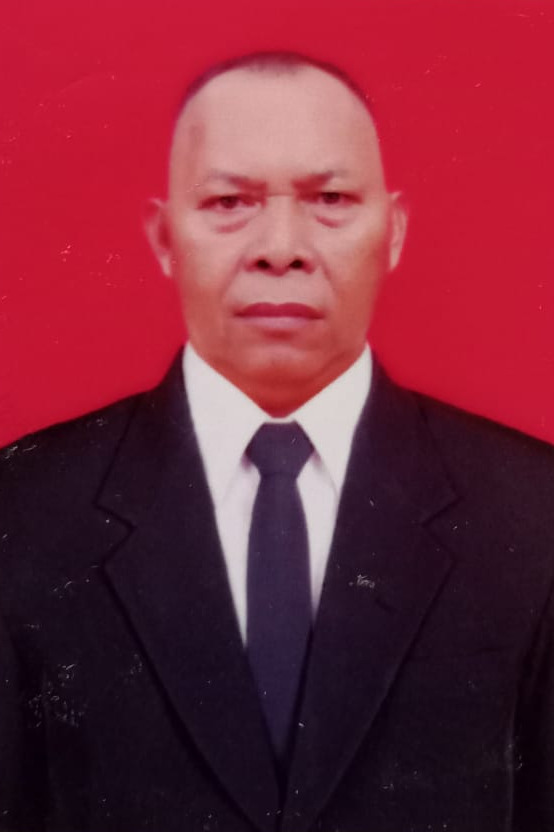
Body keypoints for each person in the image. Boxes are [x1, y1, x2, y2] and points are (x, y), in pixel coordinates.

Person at [1, 51, 553, 832]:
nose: (281, 247)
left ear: (394, 232)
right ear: (164, 237)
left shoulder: (531, 513)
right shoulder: (23, 512)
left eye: (330, 199)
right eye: (230, 201)